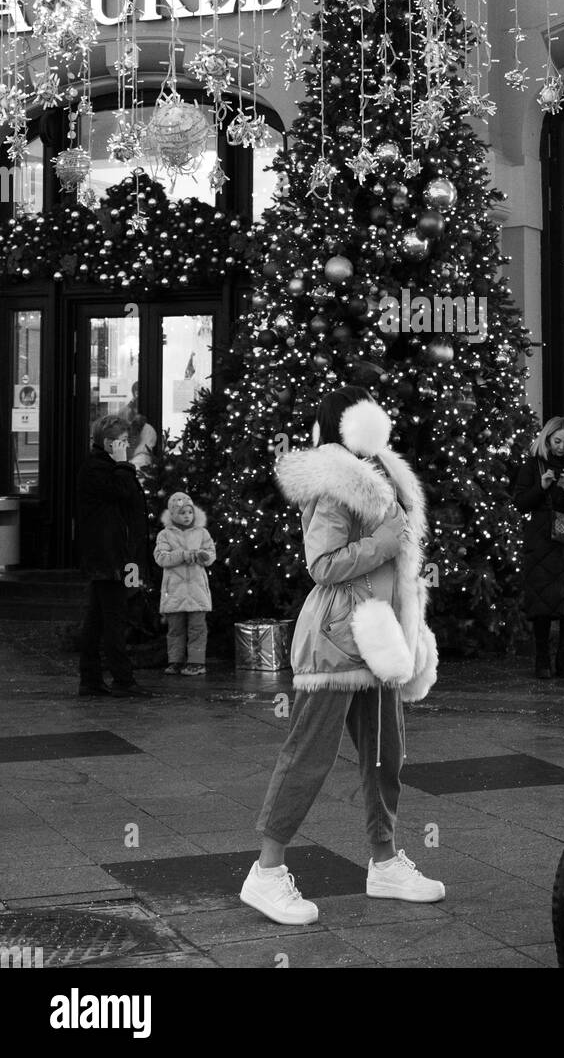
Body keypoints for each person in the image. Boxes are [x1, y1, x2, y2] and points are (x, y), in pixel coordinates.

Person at [240, 387, 442, 926]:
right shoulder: (335, 483)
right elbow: (322, 564)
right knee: (309, 752)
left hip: (378, 635)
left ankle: (384, 859)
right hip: (336, 635)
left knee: (384, 753)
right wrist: (383, 540)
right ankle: (266, 871)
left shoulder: (379, 475)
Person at [512, 417, 564, 681]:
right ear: (547, 440)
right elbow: (520, 503)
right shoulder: (533, 464)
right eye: (556, 441)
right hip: (542, 540)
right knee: (542, 603)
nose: (560, 448)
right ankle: (542, 660)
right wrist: (542, 487)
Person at [77, 413, 151, 698]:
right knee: (113, 618)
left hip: (108, 554)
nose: (126, 444)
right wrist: (123, 465)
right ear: (108, 443)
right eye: (121, 441)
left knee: (98, 619)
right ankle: (122, 679)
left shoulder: (102, 467)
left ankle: (92, 679)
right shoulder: (99, 469)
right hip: (108, 556)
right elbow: (124, 494)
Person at [154, 491, 216, 676]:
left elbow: (210, 554)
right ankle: (175, 661)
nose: (187, 516)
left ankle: (197, 662)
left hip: (197, 591)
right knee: (175, 629)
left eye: (190, 512)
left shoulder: (202, 533)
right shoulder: (165, 535)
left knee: (198, 628)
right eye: (182, 513)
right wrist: (182, 555)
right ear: (173, 515)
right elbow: (161, 557)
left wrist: (203, 557)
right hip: (174, 592)